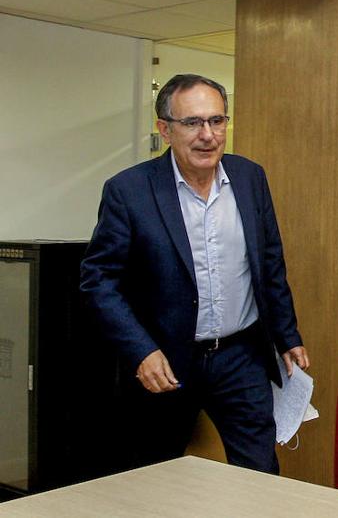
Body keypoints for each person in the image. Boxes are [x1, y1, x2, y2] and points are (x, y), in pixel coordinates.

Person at [81, 74, 307, 473]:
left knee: (259, 470)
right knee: (155, 473)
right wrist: (141, 351)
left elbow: (270, 262)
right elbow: (99, 281)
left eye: (217, 121)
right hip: (166, 360)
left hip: (241, 356)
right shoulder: (129, 190)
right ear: (165, 129)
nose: (208, 135)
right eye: (193, 123)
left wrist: (287, 335)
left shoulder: (250, 178)